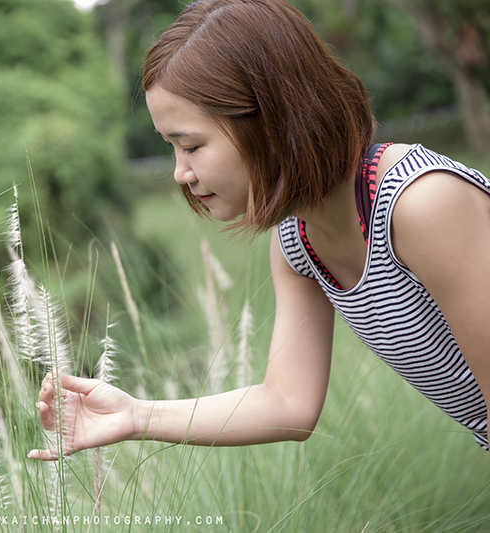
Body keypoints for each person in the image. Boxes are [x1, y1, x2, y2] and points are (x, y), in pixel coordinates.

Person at [27, 0, 490, 460]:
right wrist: (136, 416)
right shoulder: (297, 240)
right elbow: (288, 403)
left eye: (190, 145)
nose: (179, 173)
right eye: (171, 147)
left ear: (271, 122)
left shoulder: (421, 204)